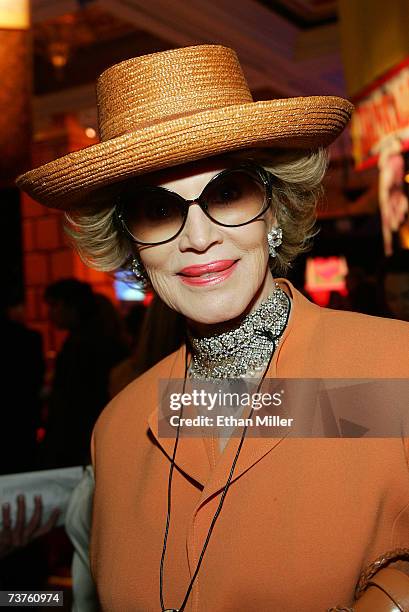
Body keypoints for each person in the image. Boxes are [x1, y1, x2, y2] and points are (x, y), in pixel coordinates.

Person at [16, 45, 409, 611]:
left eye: (227, 193)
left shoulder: (390, 376)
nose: (198, 237)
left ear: (274, 209)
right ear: (132, 244)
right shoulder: (120, 430)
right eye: (158, 209)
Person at [41, 279, 128, 469]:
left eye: (55, 305)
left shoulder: (80, 347)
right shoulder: (99, 342)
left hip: (82, 444)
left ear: (72, 307)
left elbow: (71, 405)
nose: (50, 313)